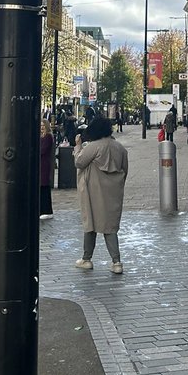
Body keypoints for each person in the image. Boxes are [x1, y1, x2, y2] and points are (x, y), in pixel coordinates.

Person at [73, 117, 128, 275]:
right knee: (110, 226)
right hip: (113, 192)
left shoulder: (93, 147)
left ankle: (86, 258)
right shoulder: (119, 147)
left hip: (93, 191)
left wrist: (77, 147)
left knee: (90, 223)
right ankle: (116, 262)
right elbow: (125, 169)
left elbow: (79, 162)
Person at [39, 120, 54, 221]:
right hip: (40, 164)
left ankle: (47, 210)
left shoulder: (48, 137)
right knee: (40, 187)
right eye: (40, 126)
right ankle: (41, 209)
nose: (42, 127)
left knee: (44, 187)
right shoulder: (41, 137)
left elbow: (43, 150)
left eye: (43, 126)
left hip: (44, 164)